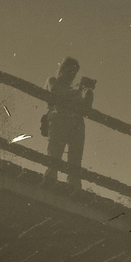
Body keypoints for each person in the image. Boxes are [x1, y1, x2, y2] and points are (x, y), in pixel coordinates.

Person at [44, 57, 94, 188]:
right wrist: (77, 91)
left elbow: (87, 110)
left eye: (74, 73)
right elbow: (56, 91)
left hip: (76, 124)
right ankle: (50, 180)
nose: (72, 75)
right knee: (55, 154)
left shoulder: (76, 91)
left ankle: (74, 185)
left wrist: (87, 94)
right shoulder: (52, 80)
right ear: (62, 69)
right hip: (58, 121)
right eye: (70, 71)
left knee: (75, 158)